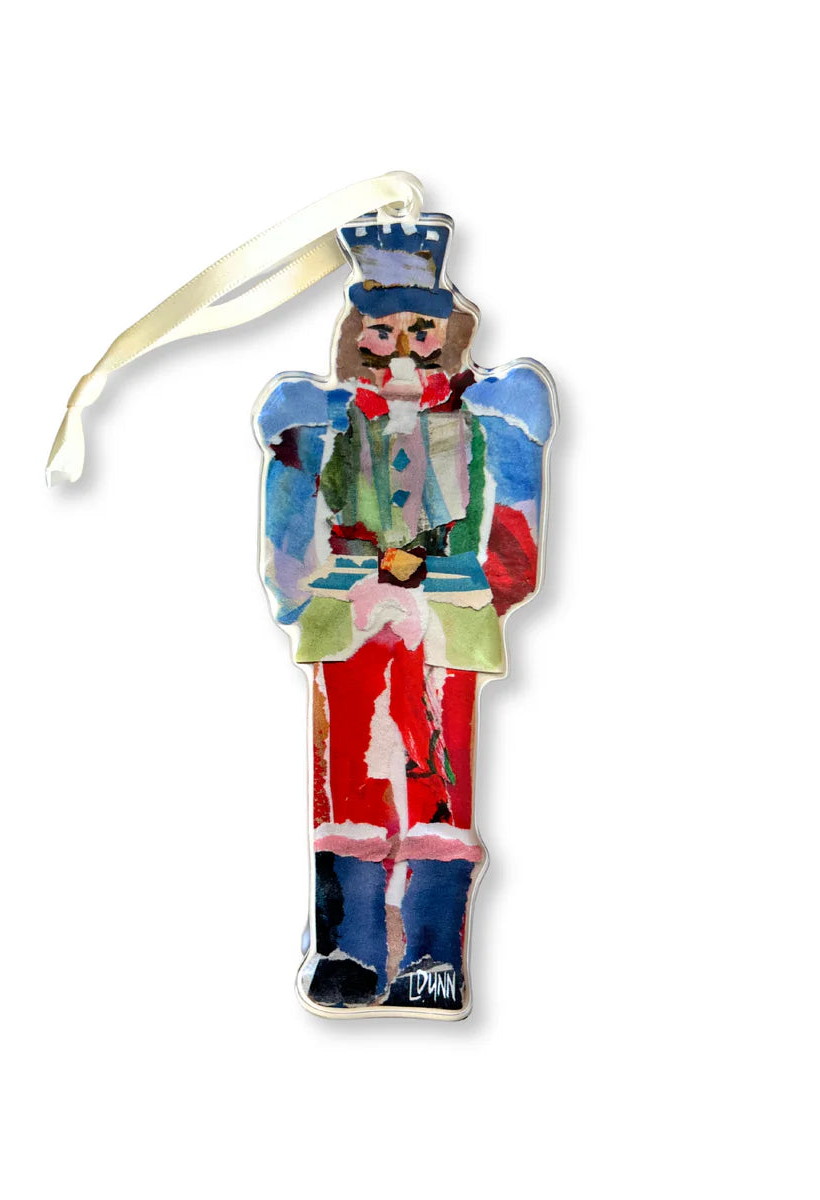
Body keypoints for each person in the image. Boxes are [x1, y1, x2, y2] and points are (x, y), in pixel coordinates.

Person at [255, 214, 554, 1015]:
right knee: (349, 771)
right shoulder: (322, 418)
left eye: (420, 331)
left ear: (448, 335)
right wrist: (300, 592)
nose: (400, 348)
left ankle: (431, 952)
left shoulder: (486, 415)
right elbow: (288, 524)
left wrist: (499, 584)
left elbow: (514, 519)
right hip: (348, 608)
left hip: (448, 605)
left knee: (439, 774)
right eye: (382, 330)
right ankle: (350, 947)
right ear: (356, 333)